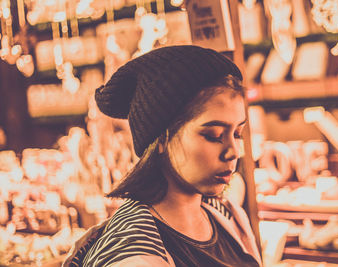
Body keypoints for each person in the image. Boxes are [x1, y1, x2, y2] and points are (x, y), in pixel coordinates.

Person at [62, 45, 262, 267]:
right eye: (213, 135)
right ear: (162, 138)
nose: (233, 151)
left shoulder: (228, 217)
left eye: (237, 133)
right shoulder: (133, 255)